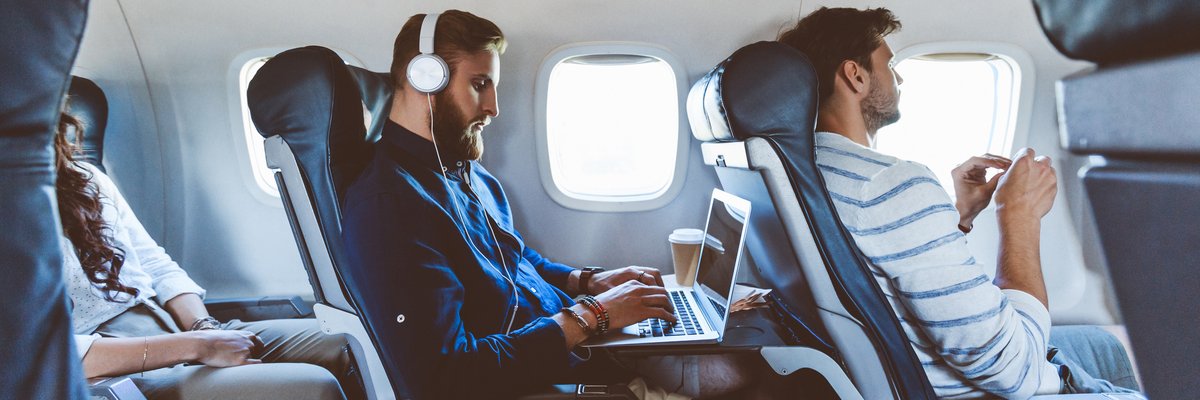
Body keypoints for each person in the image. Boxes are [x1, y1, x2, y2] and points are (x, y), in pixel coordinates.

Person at [341, 10, 755, 399]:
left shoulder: (468, 174)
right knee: (759, 384)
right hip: (551, 379)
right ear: (424, 78)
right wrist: (592, 316)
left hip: (582, 347)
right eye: (479, 84)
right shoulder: (389, 207)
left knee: (747, 357)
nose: (494, 108)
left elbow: (515, 260)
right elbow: (446, 376)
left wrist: (587, 282)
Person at [777, 7, 1141, 398]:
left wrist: (960, 215)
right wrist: (1018, 215)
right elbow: (1015, 374)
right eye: (890, 64)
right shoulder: (890, 183)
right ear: (856, 75)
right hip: (980, 387)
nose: (898, 77)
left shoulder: (806, 173)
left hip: (919, 370)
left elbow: (886, 273)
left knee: (1106, 345)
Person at [55, 111, 362, 400]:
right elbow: (49, 354)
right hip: (113, 369)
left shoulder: (85, 177)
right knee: (312, 386)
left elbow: (155, 266)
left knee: (350, 343)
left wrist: (204, 329)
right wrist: (194, 347)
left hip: (170, 324)